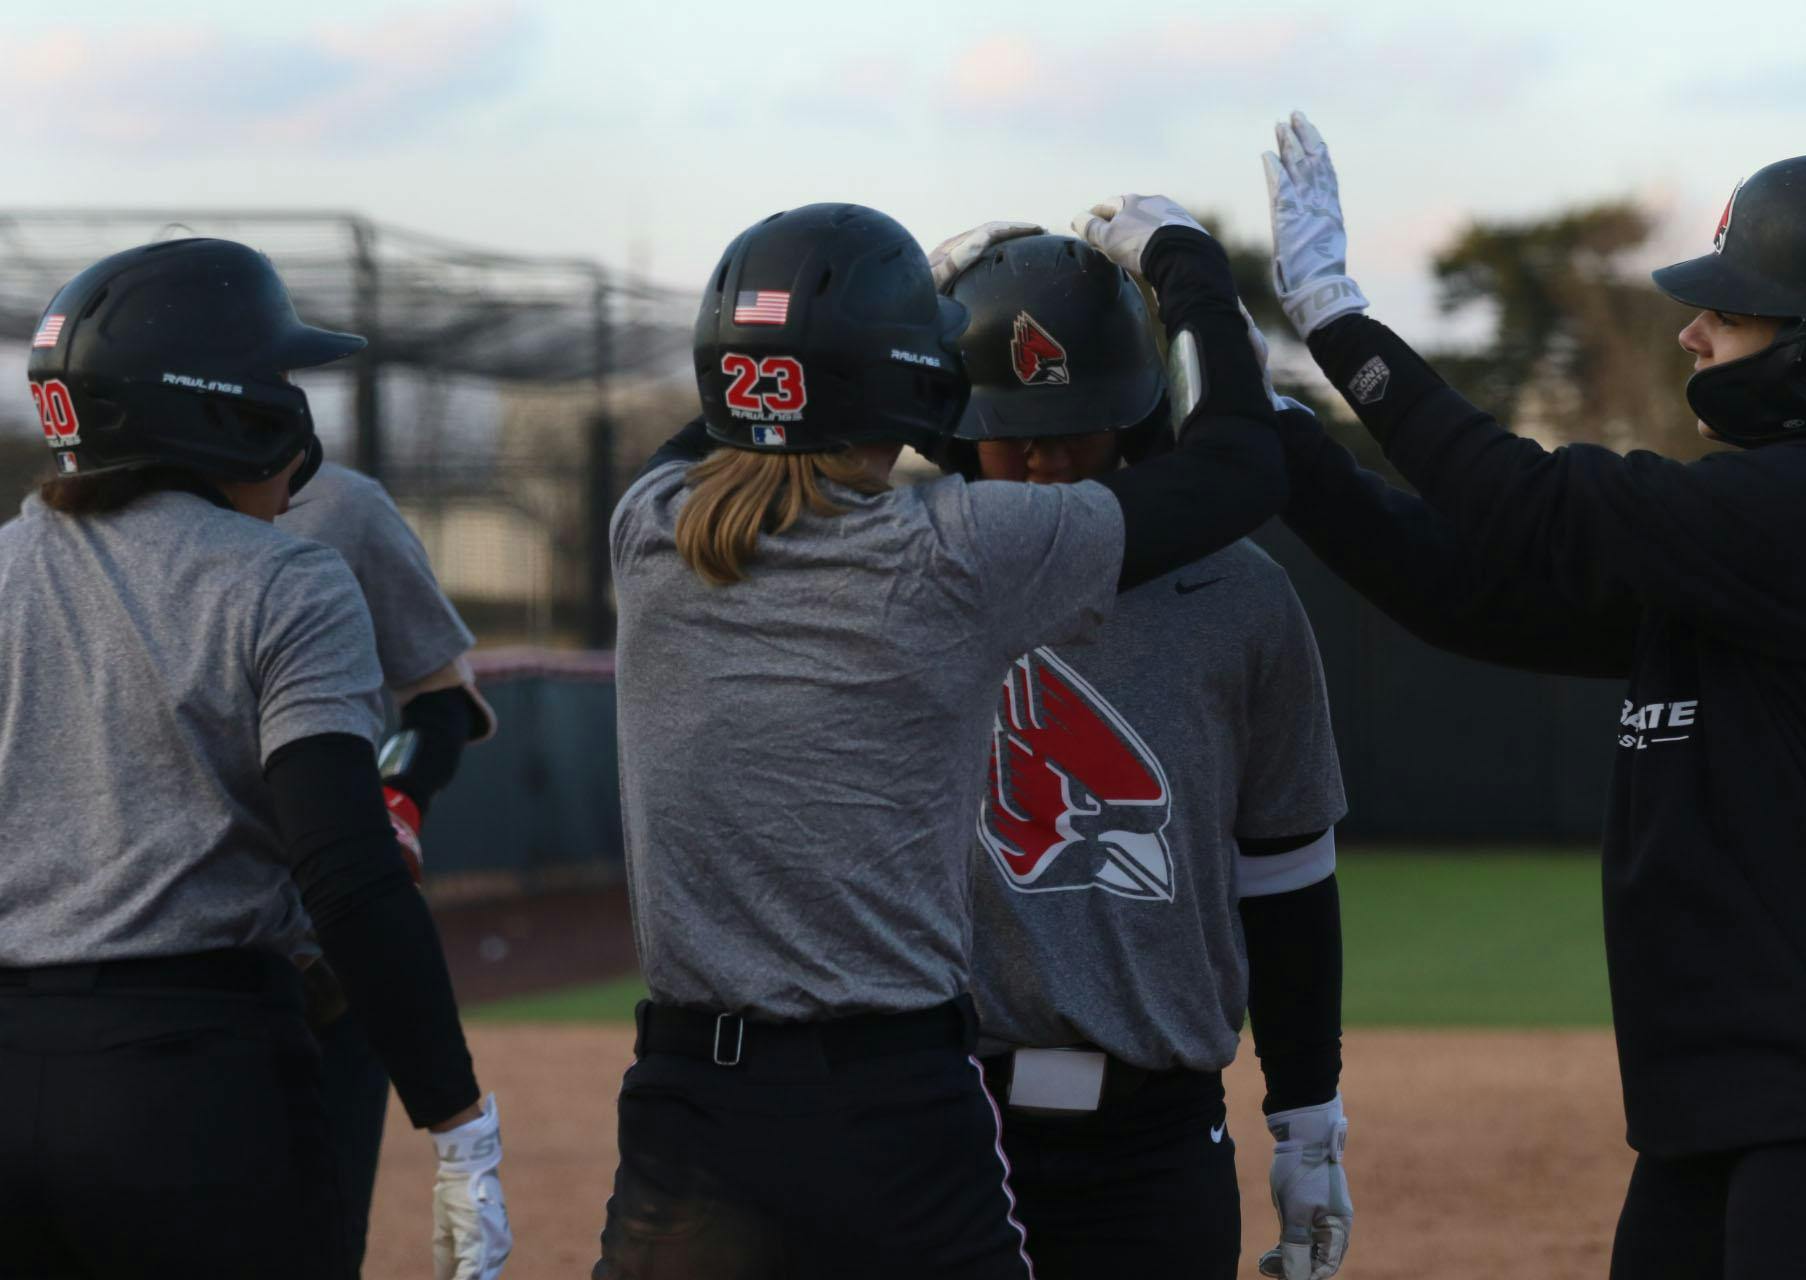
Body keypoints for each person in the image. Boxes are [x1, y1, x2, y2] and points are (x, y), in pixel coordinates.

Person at [1260, 114, 1806, 1278]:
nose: (1693, 328)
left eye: (1736, 305)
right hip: (1707, 1116)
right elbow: (1473, 586)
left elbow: (1539, 504)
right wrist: (1282, 444)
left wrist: (1340, 327)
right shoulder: (1769, 539)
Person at [596, 195, 1294, 1279]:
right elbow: (1241, 467)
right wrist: (1186, 267)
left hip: (691, 1118)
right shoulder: (956, 554)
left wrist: (876, 334)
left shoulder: (647, 533)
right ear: (907, 384)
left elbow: (726, 430)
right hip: (895, 1112)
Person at [0, 238, 510, 1280]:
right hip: (195, 1079)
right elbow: (349, 875)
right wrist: (455, 1115)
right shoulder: (286, 576)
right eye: (273, 379)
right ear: (213, 403)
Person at [924, 227, 1352, 1280]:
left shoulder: (1238, 592)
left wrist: (1308, 1122)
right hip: (933, 1119)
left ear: (1136, 415)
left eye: (1075, 426)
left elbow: (1287, 868)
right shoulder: (905, 569)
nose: (1041, 454)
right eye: (1009, 428)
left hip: (1154, 1139)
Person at [277, 460, 499, 1276]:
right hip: (172, 959)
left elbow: (440, 699)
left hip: (322, 940)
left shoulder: (340, 507)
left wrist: (399, 800)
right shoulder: (55, 540)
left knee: (318, 1241)